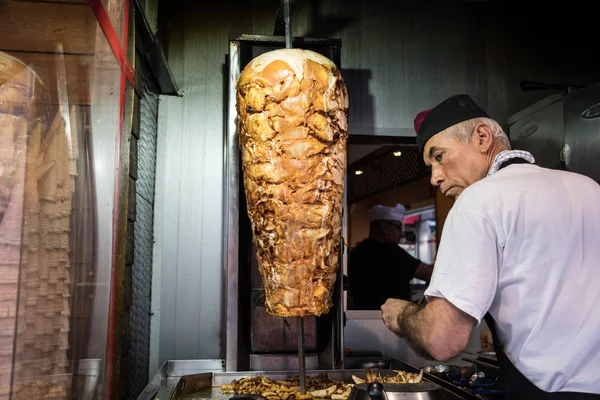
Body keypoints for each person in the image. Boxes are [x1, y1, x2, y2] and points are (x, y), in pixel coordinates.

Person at [380, 94, 600, 398]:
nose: (434, 178)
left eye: (439, 156)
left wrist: (401, 315)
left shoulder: (478, 201)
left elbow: (442, 340)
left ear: (482, 137)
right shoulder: (588, 187)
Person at [348, 203, 433, 310]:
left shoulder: (357, 252)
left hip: (361, 318)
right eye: (398, 227)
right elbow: (429, 274)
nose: (401, 234)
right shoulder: (392, 252)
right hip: (392, 320)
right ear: (384, 227)